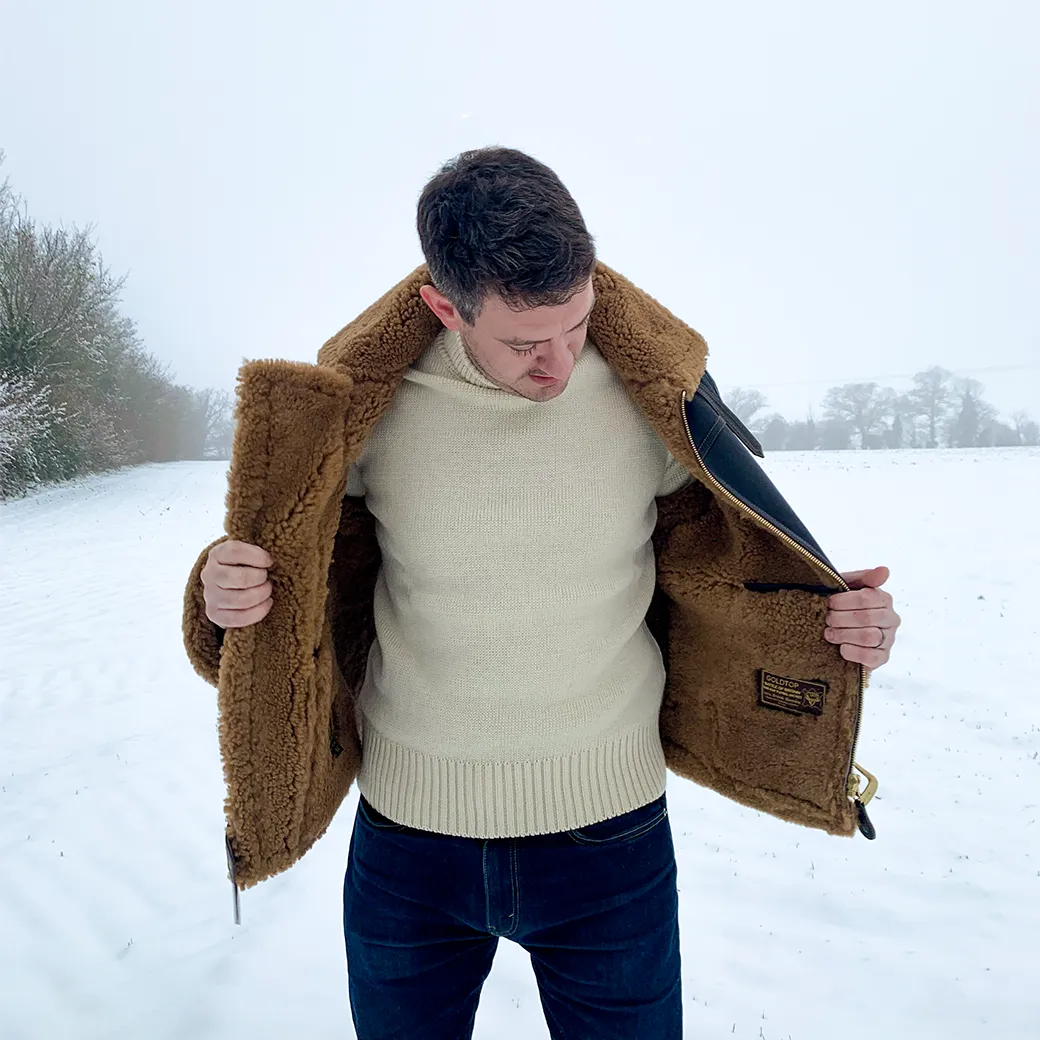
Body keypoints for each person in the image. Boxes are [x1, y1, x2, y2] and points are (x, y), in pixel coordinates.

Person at [189, 147, 901, 1040]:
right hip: (409, 845)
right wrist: (224, 594)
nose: (561, 364)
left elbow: (737, 577)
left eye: (578, 324)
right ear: (445, 308)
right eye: (526, 344)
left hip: (613, 844)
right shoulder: (357, 412)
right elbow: (295, 590)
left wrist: (836, 625)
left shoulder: (657, 401)